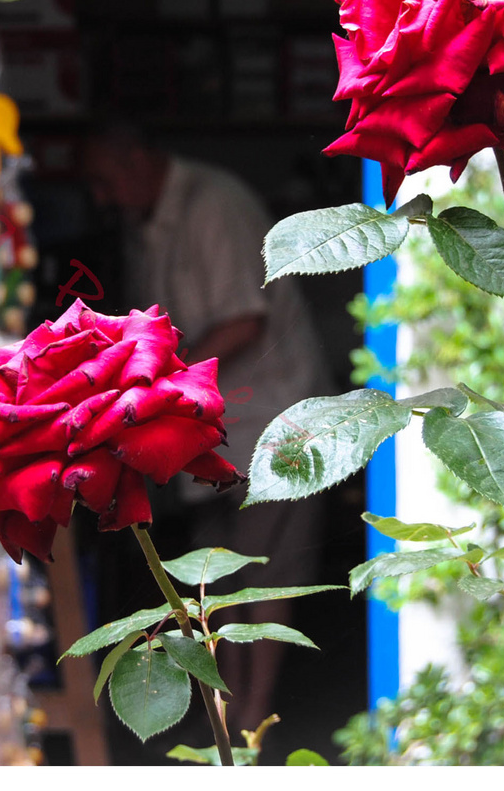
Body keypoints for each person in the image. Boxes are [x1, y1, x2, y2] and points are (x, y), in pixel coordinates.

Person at [79, 122, 335, 735]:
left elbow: (245, 320)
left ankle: (249, 721)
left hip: (273, 419)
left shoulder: (213, 203)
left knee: (266, 578)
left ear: (137, 157)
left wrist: (154, 385)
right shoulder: (152, 218)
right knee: (219, 575)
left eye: (104, 181)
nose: (102, 198)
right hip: (214, 427)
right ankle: (231, 715)